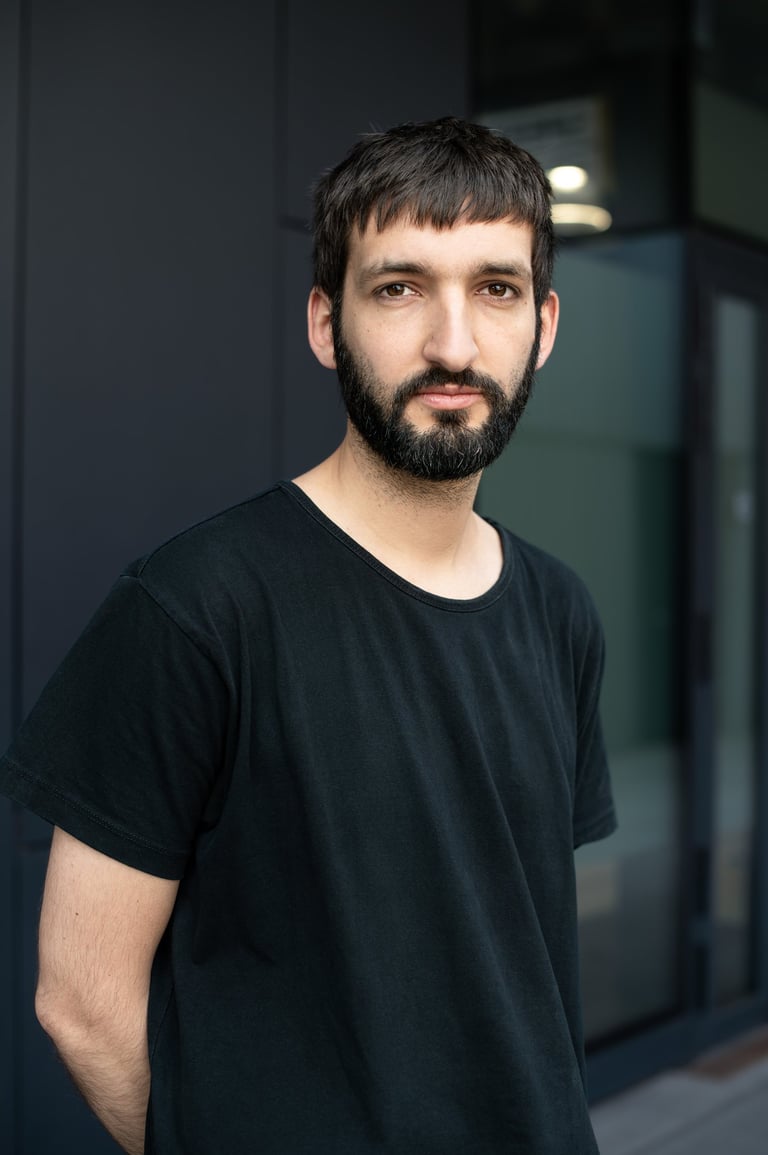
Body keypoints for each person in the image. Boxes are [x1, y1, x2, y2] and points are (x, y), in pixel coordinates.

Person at [0, 117, 616, 1154]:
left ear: (544, 326)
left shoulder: (561, 611)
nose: (453, 344)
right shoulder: (196, 605)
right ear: (326, 324)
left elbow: (521, 956)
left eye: (496, 289)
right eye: (400, 287)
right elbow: (81, 999)